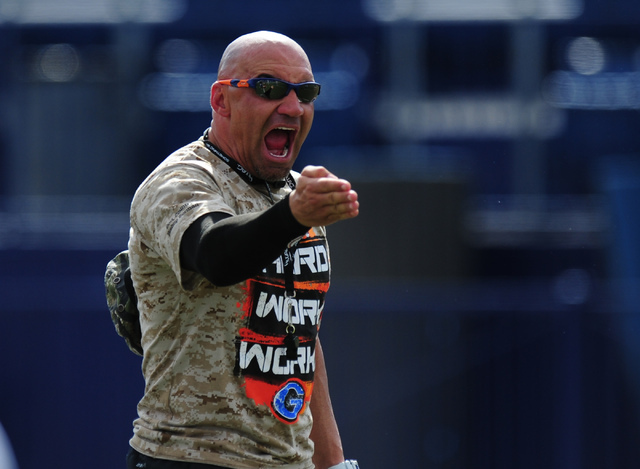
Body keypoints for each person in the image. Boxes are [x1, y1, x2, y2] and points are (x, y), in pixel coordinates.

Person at [125, 31, 360, 469]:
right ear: (220, 100)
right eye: (269, 89)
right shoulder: (181, 180)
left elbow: (302, 338)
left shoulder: (291, 196)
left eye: (305, 93)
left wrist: (334, 464)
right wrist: (295, 214)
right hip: (188, 458)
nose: (292, 107)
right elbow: (216, 255)